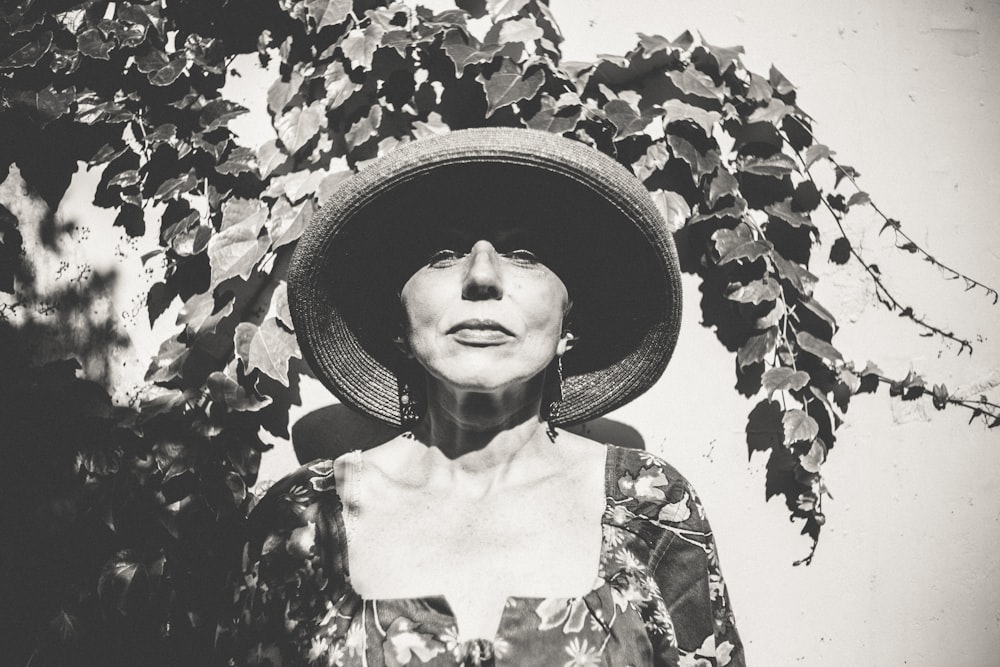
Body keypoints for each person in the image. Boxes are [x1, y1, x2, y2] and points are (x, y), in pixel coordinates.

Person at [231, 128, 745, 666]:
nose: (480, 276)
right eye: (443, 253)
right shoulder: (297, 519)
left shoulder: (652, 509)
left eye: (523, 254)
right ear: (397, 325)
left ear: (570, 324)